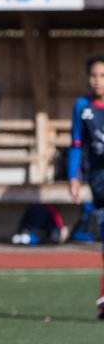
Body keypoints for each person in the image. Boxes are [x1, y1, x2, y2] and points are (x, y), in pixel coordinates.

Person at [67, 53, 104, 319]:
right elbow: (77, 145)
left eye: (103, 76)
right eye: (94, 75)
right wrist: (73, 177)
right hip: (100, 181)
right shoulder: (82, 106)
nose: (98, 81)